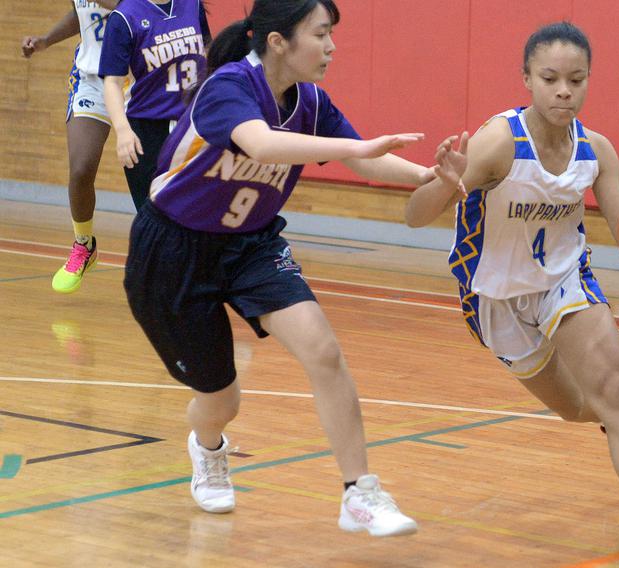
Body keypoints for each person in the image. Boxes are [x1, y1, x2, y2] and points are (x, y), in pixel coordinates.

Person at [123, 0, 448, 537]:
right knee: (221, 399)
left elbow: (366, 158)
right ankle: (208, 448)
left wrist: (433, 175)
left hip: (250, 244)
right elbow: (262, 143)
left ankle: (359, 493)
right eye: (321, 34)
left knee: (323, 349)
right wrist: (354, 144)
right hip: (173, 249)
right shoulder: (227, 86)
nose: (331, 46)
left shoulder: (311, 103)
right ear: (278, 41)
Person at [405, 22, 619, 567]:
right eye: (550, 78)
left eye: (576, 79)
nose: (563, 91)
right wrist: (444, 181)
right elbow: (413, 217)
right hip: (495, 299)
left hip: (564, 282)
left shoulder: (595, 151)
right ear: (526, 78)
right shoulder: (498, 143)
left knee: (612, 394)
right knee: (578, 409)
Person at [22, 0, 120, 294]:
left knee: (154, 176)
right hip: (92, 79)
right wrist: (47, 40)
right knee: (80, 169)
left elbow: (131, 6)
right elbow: (82, 13)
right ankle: (83, 244)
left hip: (138, 78)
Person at [100, 0, 210, 210]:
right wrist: (123, 131)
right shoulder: (124, 17)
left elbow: (209, 51)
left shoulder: (193, 4)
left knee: (197, 213)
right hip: (147, 129)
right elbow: (112, 82)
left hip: (192, 126)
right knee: (154, 217)